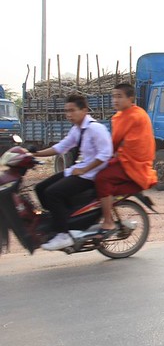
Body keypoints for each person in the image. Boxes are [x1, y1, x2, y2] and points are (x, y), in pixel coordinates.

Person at [33, 94, 113, 251]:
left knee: (52, 193)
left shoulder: (96, 128)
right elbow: (60, 147)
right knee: (40, 188)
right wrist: (34, 154)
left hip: (90, 175)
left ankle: (63, 234)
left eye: (72, 110)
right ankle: (62, 222)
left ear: (84, 110)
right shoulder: (77, 130)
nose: (69, 114)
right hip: (78, 171)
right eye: (66, 111)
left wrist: (84, 169)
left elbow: (105, 154)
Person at [95, 83, 157, 233]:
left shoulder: (131, 116)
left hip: (134, 164)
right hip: (129, 158)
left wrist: (98, 159)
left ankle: (108, 221)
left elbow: (114, 143)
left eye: (119, 96)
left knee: (101, 178)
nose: (115, 100)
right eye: (113, 96)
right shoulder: (130, 113)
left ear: (130, 99)